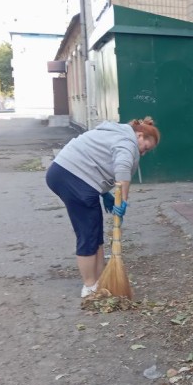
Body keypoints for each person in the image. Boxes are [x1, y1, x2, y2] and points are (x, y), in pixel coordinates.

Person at [46, 117, 160, 298]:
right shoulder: (128, 143)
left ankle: (99, 280)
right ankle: (89, 287)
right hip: (72, 177)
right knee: (88, 232)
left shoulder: (116, 134)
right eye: (145, 148)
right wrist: (122, 200)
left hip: (66, 173)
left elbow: (94, 160)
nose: (143, 153)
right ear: (139, 135)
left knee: (95, 230)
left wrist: (103, 193)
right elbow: (122, 169)